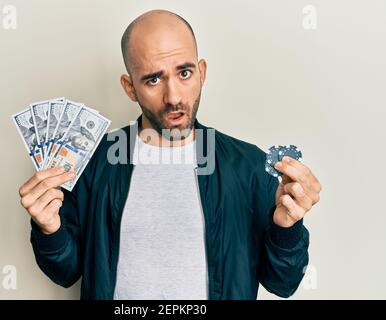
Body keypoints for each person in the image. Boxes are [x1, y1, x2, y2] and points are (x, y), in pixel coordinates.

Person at [18, 9, 322, 300]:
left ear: (202, 73)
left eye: (185, 73)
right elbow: (66, 272)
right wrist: (49, 230)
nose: (174, 97)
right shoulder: (93, 163)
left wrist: (287, 227)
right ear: (129, 87)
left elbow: (283, 283)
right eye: (153, 79)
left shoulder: (248, 167)